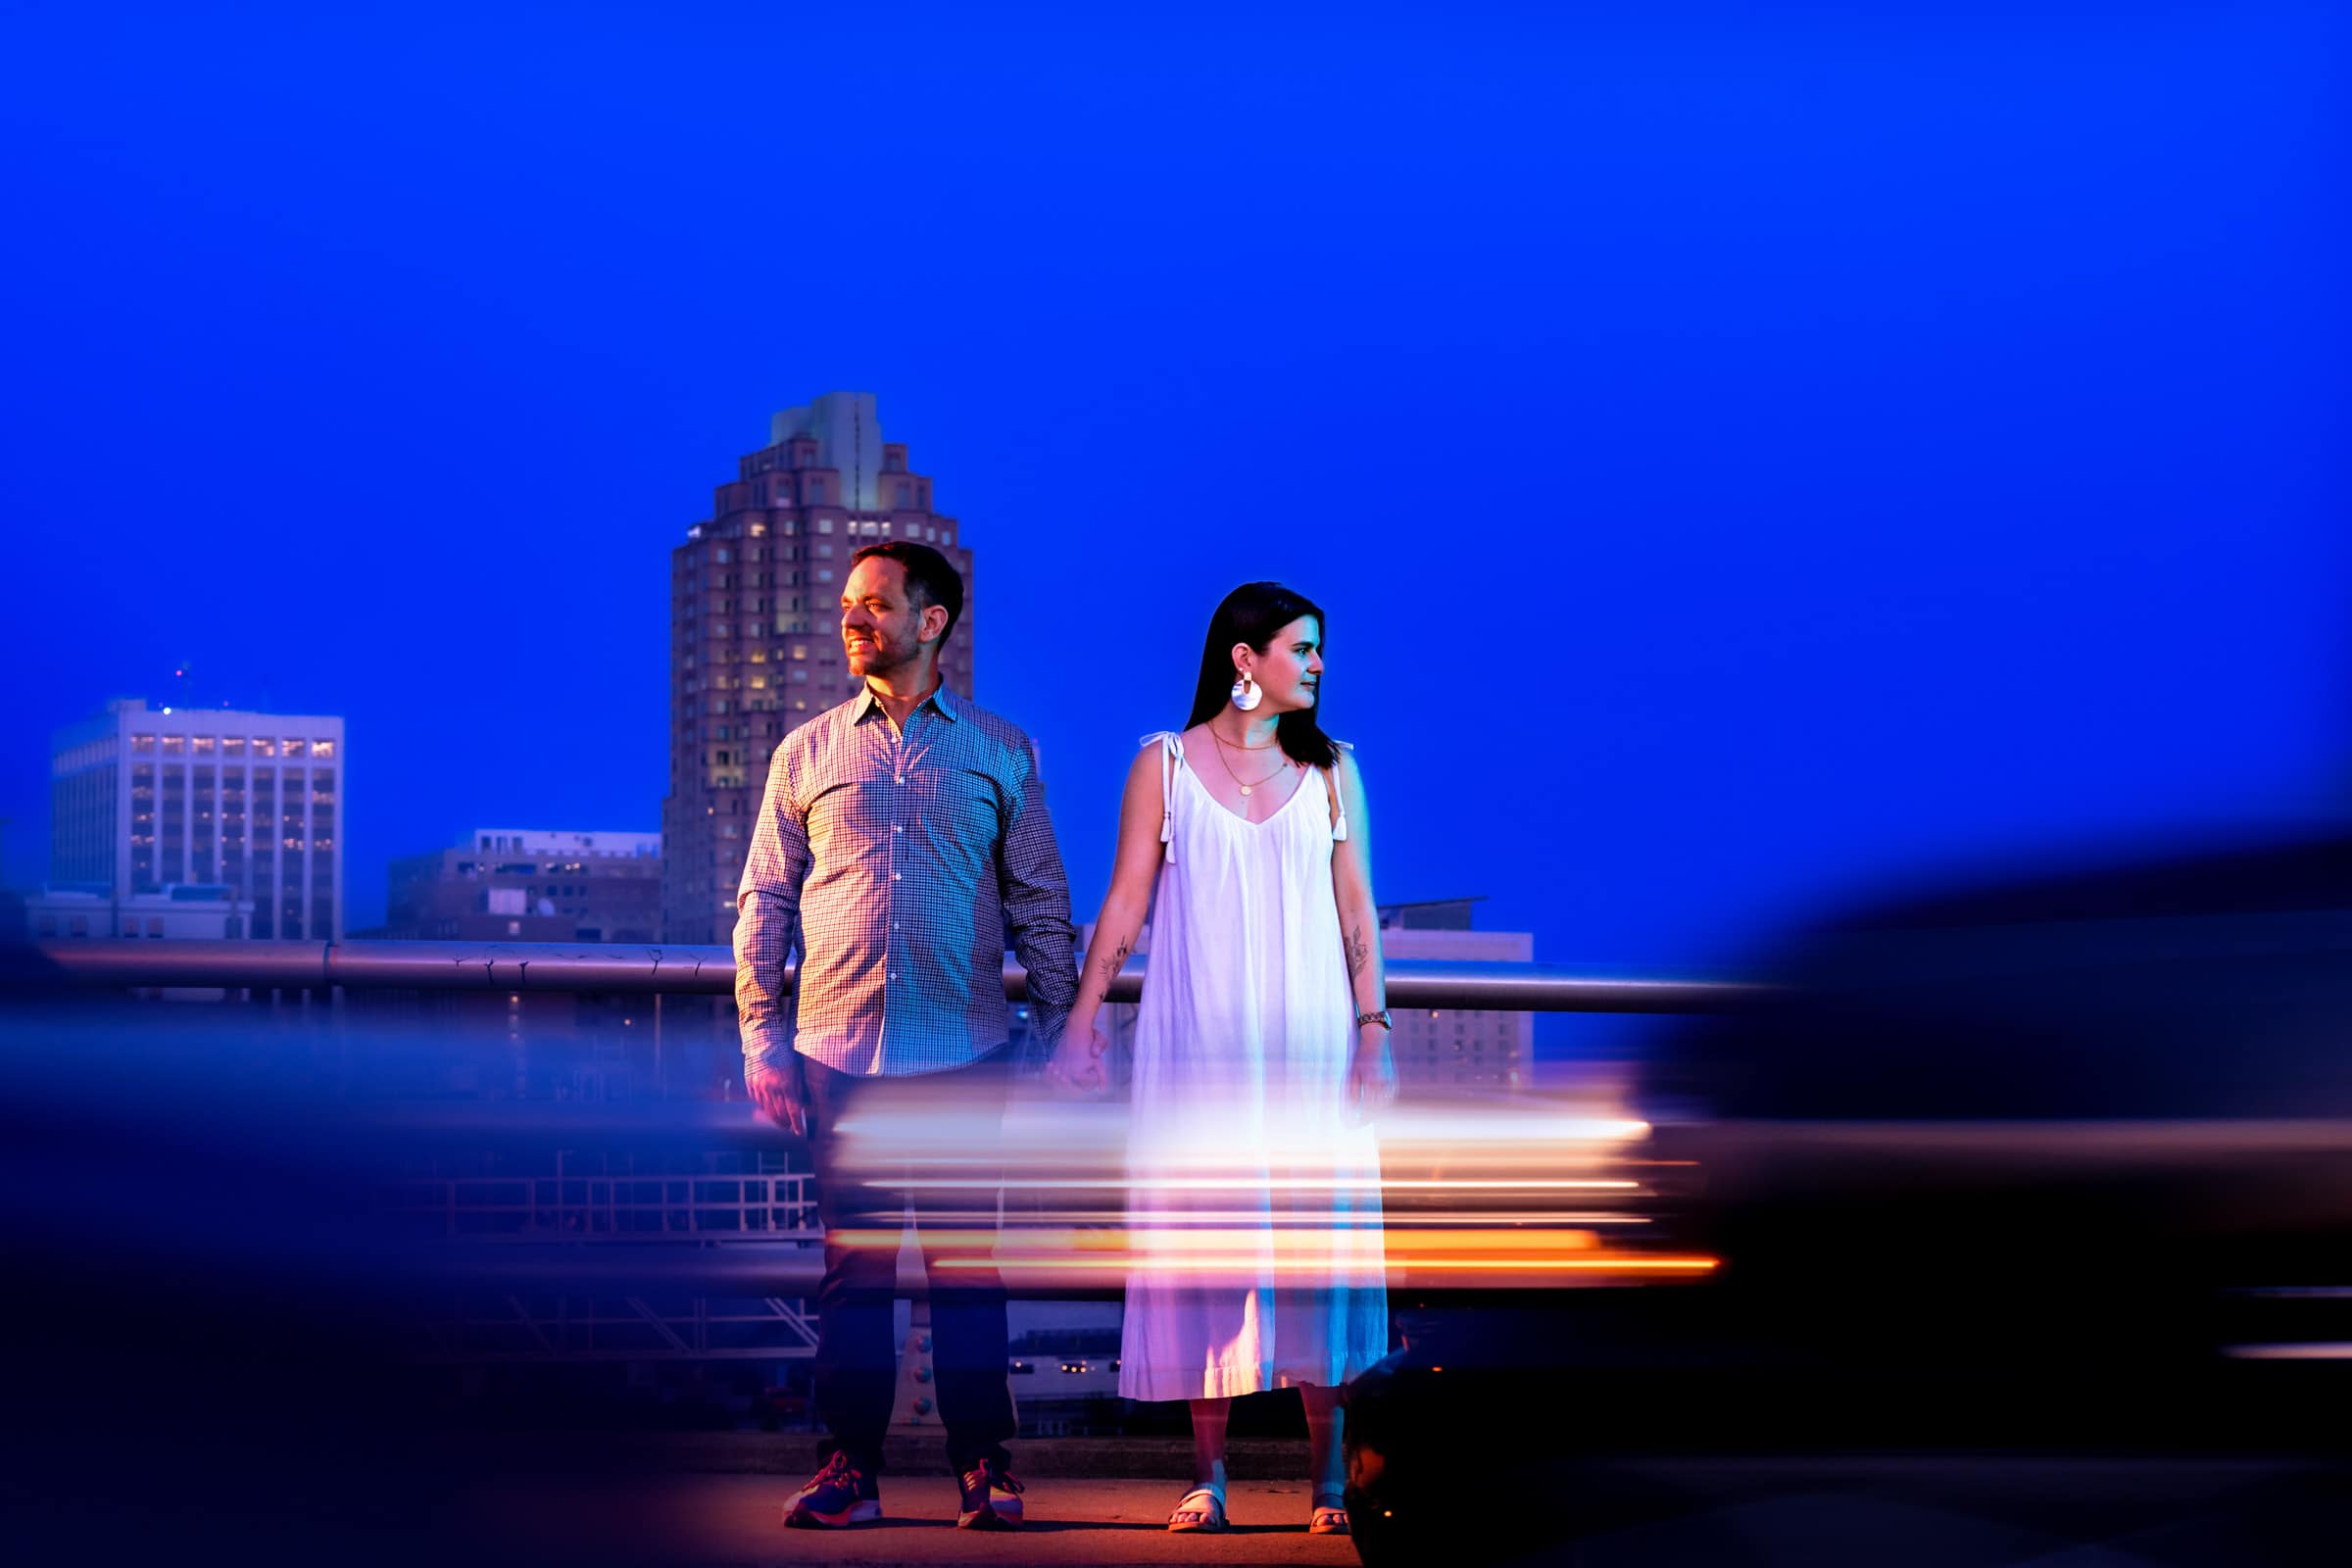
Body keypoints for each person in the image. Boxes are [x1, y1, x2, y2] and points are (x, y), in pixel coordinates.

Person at [735, 540, 1079, 1532]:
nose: (856, 620)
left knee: (968, 1271)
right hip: (837, 1054)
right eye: (850, 603)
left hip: (966, 1054)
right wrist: (762, 1034)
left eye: (876, 606)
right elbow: (764, 898)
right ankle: (850, 1469)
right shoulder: (803, 752)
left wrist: (1056, 1036)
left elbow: (1040, 900)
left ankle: (986, 1468)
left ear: (931, 623)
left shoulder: (1001, 748)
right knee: (854, 1278)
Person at [1050, 581, 1396, 1537]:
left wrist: (1374, 1030)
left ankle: (1329, 1483)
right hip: (1194, 1047)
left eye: (1319, 649)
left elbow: (1357, 908)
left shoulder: (1335, 772)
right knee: (1208, 1253)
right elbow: (1124, 902)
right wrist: (1083, 1017)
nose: (1319, 664)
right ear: (1246, 659)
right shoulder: (1160, 763)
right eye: (1303, 647)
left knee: (1315, 1256)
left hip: (1315, 1049)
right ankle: (1210, 1479)